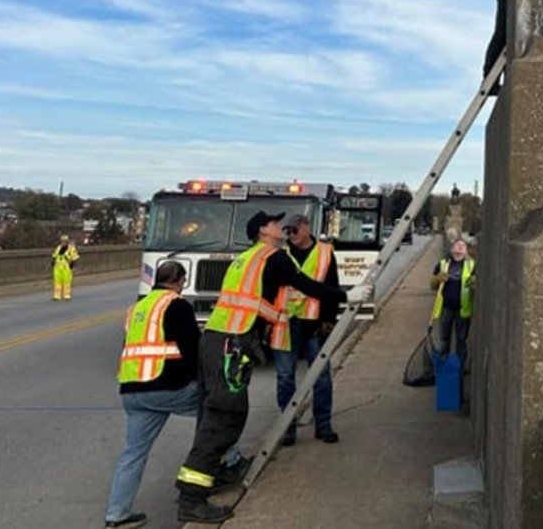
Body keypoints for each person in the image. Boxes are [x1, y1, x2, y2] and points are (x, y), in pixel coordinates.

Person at [174, 210, 368, 524]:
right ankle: (191, 497)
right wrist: (348, 295)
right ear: (264, 230)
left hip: (217, 339)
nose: (282, 227)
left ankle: (219, 472)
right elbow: (305, 284)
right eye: (277, 223)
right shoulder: (273, 257)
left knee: (218, 412)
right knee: (224, 415)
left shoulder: (248, 257)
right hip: (231, 342)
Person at [103, 261, 200, 529]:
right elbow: (192, 349)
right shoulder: (177, 305)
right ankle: (226, 463)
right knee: (215, 412)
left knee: (133, 453)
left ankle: (116, 515)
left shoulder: (138, 308)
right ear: (179, 280)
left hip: (133, 391)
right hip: (167, 387)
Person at [275, 214, 344, 446]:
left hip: (314, 324)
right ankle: (288, 428)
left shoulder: (325, 252)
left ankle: (323, 425)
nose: (290, 235)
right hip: (285, 323)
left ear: (306, 228)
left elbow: (331, 286)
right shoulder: (280, 253)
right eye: (287, 231)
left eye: (294, 230)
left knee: (321, 376)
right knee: (285, 378)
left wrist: (329, 320)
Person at [430, 238, 476, 363]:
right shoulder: (443, 264)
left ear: (466, 251)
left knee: (461, 339)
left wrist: (474, 281)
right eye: (457, 245)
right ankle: (444, 364)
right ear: (451, 249)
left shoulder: (472, 265)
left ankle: (460, 366)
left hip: (463, 308)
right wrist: (438, 279)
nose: (460, 247)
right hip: (446, 307)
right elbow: (432, 285)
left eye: (463, 246)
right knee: (445, 338)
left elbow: (477, 281)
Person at [52, 233, 79, 300]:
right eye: (62, 240)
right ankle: (57, 296)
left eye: (64, 241)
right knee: (57, 282)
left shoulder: (71, 248)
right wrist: (53, 261)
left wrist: (72, 265)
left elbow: (74, 257)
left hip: (66, 267)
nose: (63, 242)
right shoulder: (58, 247)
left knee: (66, 282)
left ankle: (66, 295)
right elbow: (55, 255)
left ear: (67, 241)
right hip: (57, 267)